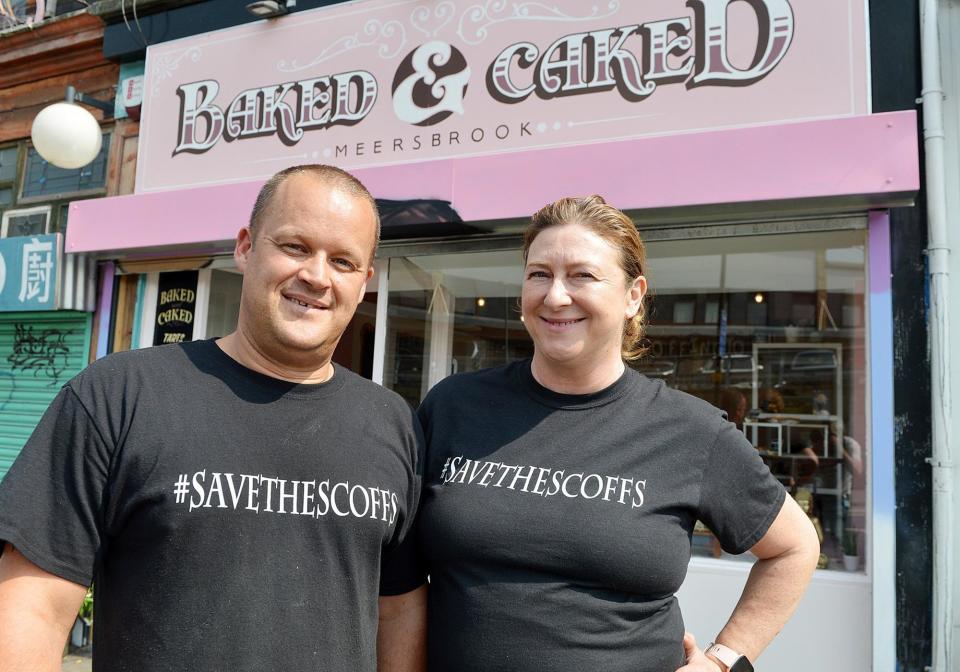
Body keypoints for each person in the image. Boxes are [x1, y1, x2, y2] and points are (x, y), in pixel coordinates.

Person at [0, 165, 426, 672]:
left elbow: (399, 610)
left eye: (342, 261)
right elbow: (34, 604)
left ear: (363, 283)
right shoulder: (120, 394)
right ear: (245, 247)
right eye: (294, 247)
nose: (316, 275)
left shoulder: (392, 422)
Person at [415, 196, 820, 672]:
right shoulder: (454, 406)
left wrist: (724, 660)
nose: (555, 296)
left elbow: (794, 547)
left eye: (582, 275)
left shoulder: (690, 431)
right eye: (539, 274)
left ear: (633, 295)